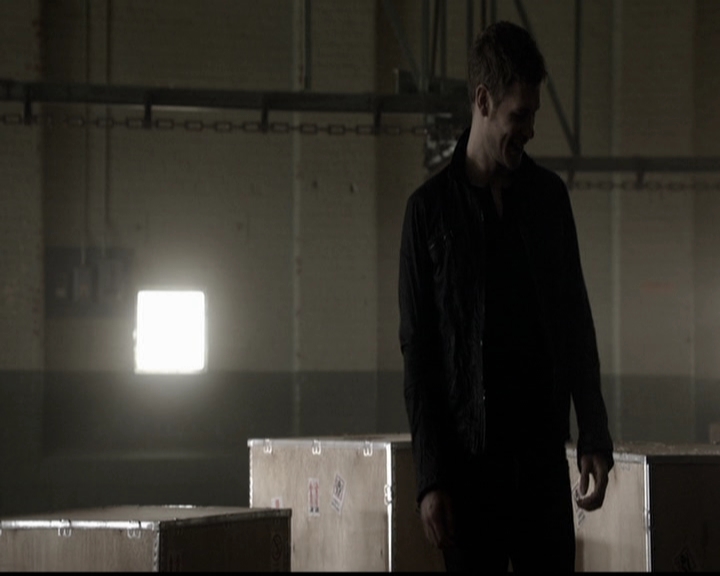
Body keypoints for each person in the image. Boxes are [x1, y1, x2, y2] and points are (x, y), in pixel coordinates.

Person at [398, 21, 614, 572]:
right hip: (468, 474)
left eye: (534, 115)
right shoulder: (428, 213)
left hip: (540, 462)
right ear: (483, 101)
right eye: (520, 116)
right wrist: (430, 479)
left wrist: (593, 433)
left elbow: (575, 321)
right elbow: (419, 356)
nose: (530, 131)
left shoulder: (548, 200)